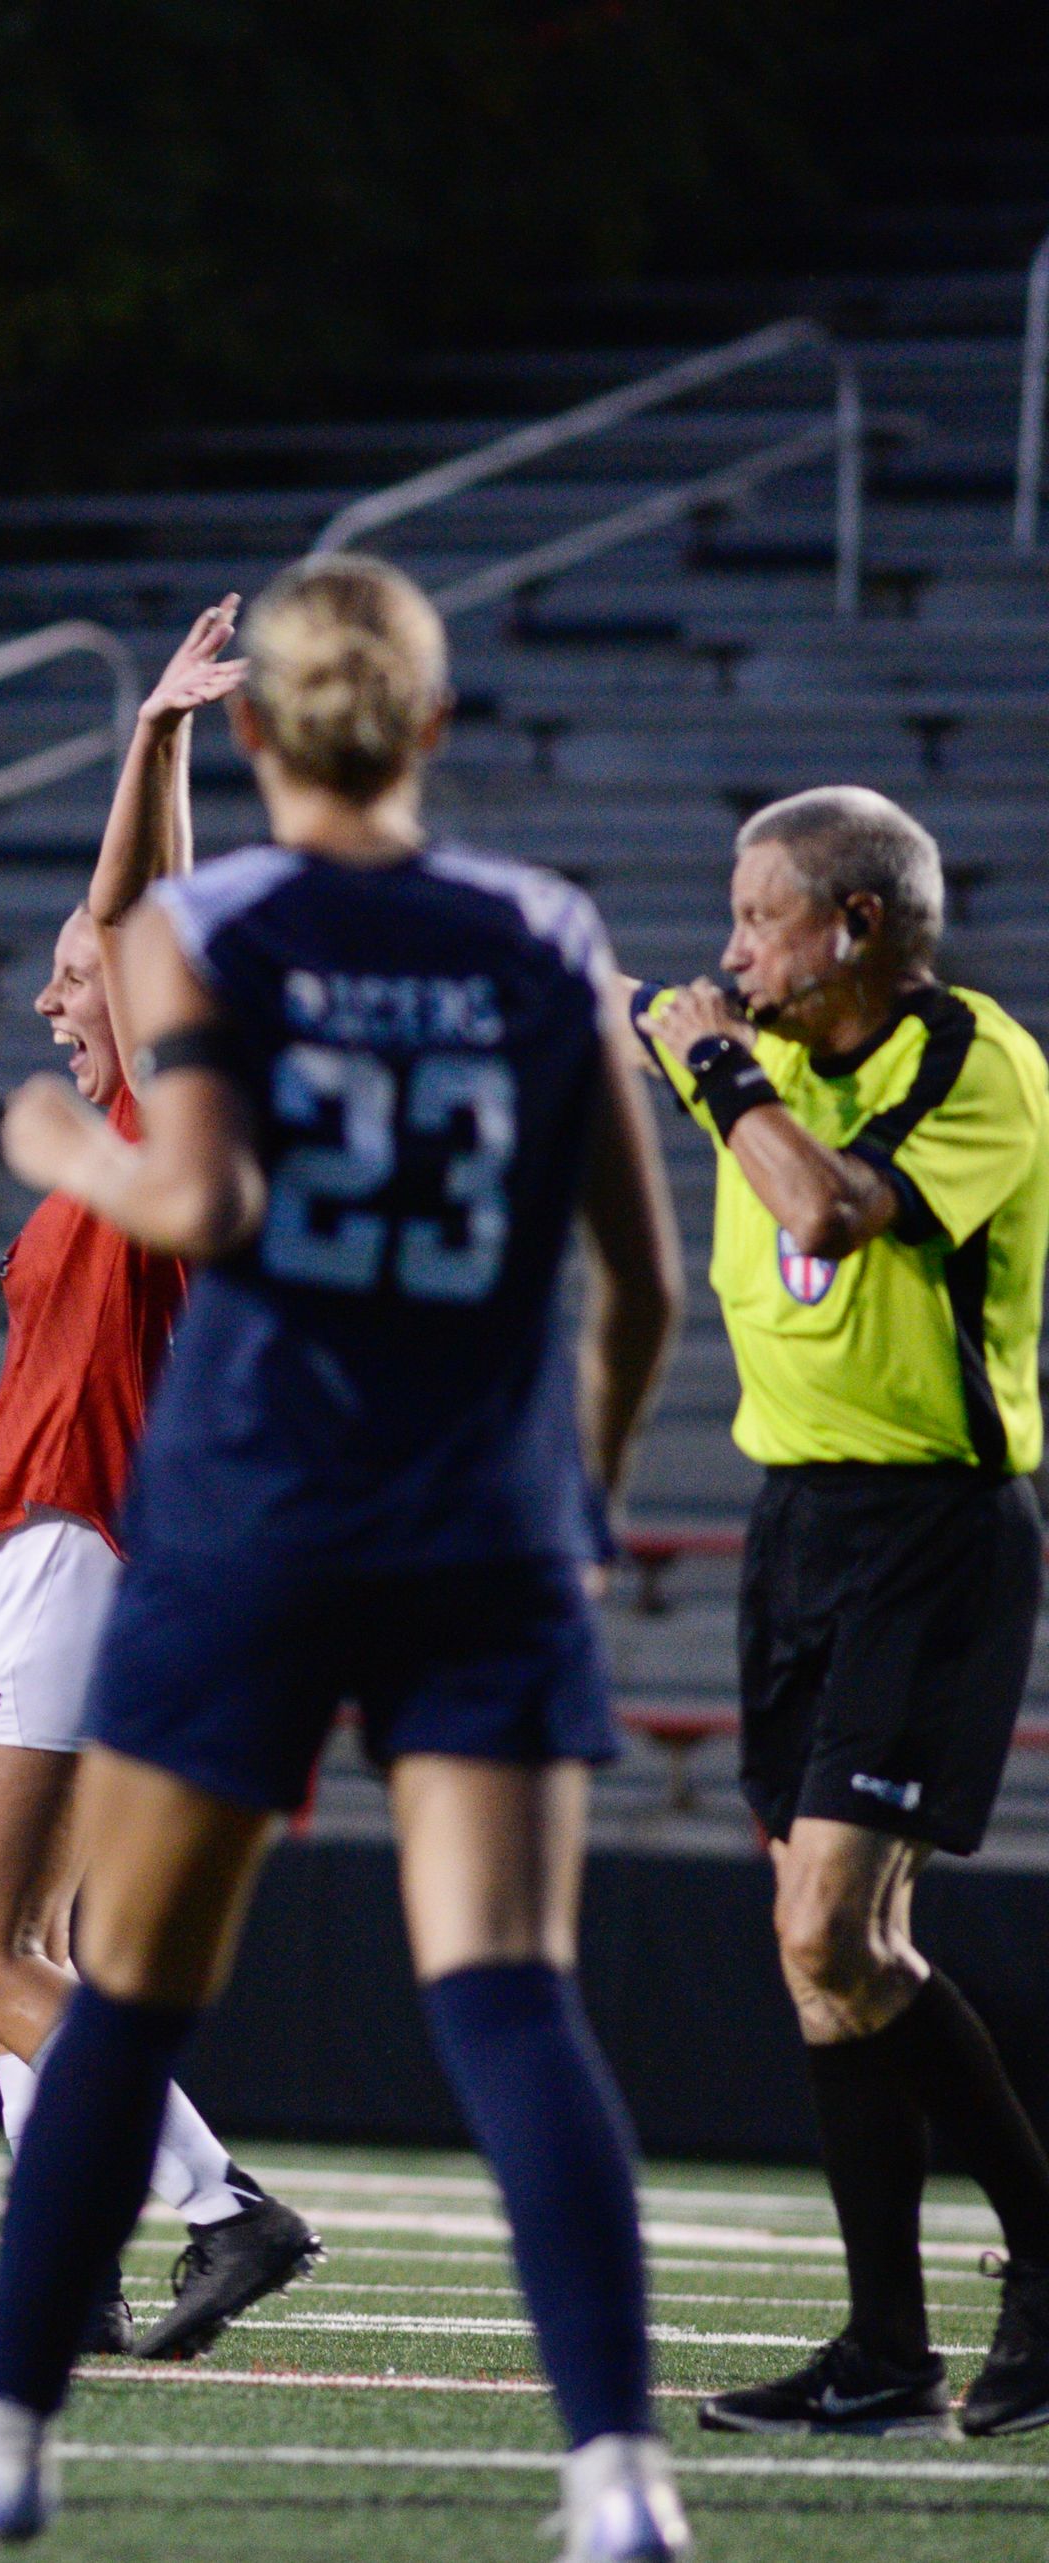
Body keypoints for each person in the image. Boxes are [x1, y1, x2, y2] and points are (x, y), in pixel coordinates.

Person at [0, 555, 692, 2560]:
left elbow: (207, 1175)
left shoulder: (224, 930)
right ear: (431, 726)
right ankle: (619, 2480)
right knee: (509, 1990)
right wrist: (576, 1501)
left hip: (252, 1521)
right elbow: (644, 1286)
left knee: (113, 1985)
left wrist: (59, 1148)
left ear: (262, 736)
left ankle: (16, 2432)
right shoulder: (543, 927)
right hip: (486, 1514)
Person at [0, 599, 321, 2360]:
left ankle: (223, 2204)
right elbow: (117, 931)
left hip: (82, 1542)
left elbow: (133, 921)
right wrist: (148, 743)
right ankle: (56, 2286)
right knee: (43, 1945)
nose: (48, 996)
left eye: (68, 981)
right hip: (82, 1553)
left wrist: (153, 748)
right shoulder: (138, 1133)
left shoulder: (168, 1106)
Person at [628, 785, 1049, 2440]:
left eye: (759, 916)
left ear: (854, 925)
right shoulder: (767, 1048)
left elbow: (826, 1212)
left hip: (935, 1526)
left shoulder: (979, 1063)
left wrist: (716, 1062)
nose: (731, 950)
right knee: (827, 1960)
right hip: (797, 1522)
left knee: (829, 1931)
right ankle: (886, 2346)